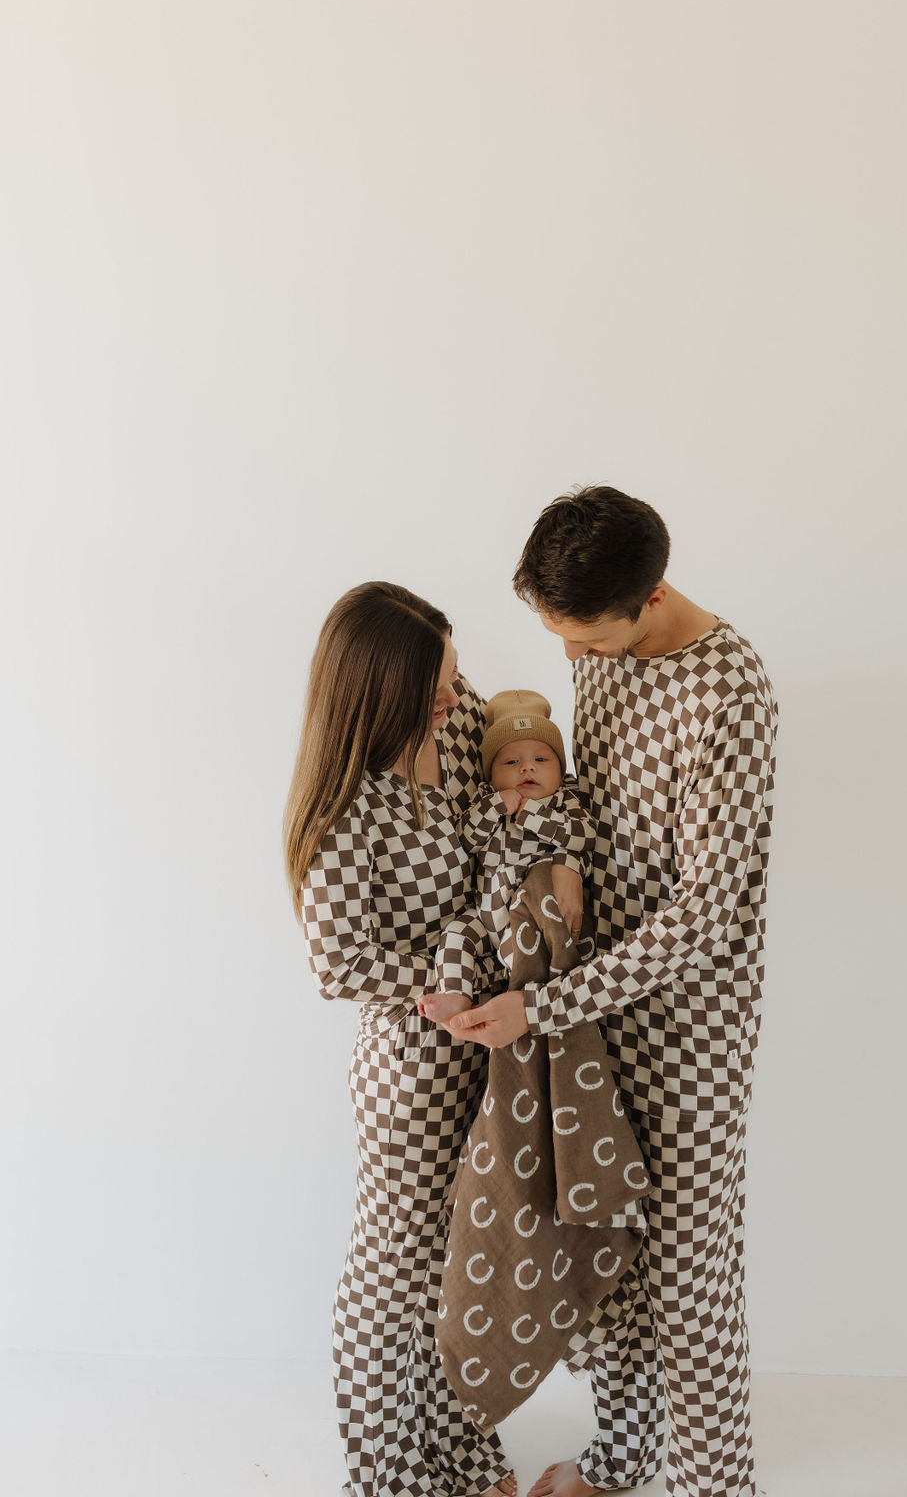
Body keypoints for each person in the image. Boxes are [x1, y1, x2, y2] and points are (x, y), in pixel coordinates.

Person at [421, 487, 778, 1497]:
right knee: (608, 1254)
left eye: (583, 641)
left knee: (692, 1276)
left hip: (688, 1034)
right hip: (584, 1019)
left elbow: (706, 918)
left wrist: (543, 1006)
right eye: (556, 638)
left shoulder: (729, 692)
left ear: (651, 595)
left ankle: (718, 1484)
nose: (571, 662)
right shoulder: (607, 660)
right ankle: (616, 1465)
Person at [286, 582, 590, 1497]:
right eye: (439, 691)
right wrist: (444, 985)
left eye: (455, 681)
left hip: (489, 1056)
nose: (460, 702)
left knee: (458, 1269)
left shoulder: (457, 734)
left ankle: (454, 1452)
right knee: (394, 1273)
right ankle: (387, 1474)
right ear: (381, 696)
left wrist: (557, 856)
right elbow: (340, 967)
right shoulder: (346, 810)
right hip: (415, 1069)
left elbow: (523, 779)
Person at [430, 688, 595, 1004]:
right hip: (485, 911)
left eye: (541, 759)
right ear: (491, 776)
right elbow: (465, 839)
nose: (527, 768)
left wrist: (534, 816)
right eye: (511, 761)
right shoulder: (486, 799)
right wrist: (494, 805)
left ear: (561, 771)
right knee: (453, 937)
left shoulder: (563, 799)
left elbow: (584, 834)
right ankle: (454, 995)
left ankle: (542, 1006)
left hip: (532, 913)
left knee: (536, 958)